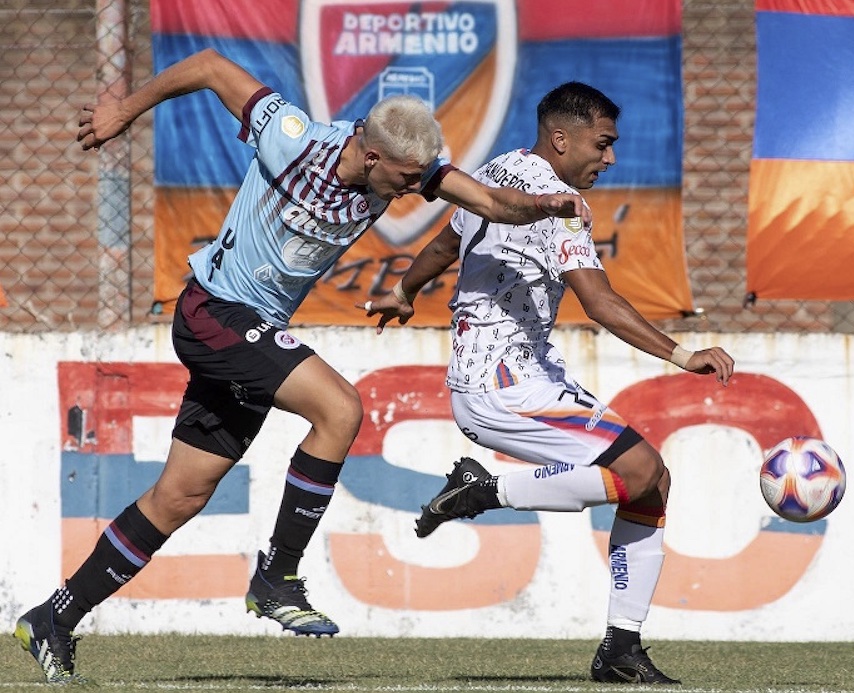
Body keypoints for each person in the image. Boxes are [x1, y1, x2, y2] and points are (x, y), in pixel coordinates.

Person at [13, 49, 591, 685]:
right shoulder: (291, 137)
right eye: (404, 179)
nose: (411, 191)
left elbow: (489, 201)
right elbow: (207, 65)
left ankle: (54, 617)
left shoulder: (405, 168)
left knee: (180, 494)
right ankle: (278, 575)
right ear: (372, 156)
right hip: (215, 313)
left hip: (250, 338)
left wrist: (552, 206)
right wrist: (124, 110)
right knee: (340, 408)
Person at [363, 82, 734, 685]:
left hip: (521, 378)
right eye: (603, 143)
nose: (609, 158)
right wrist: (682, 354)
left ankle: (620, 648)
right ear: (561, 139)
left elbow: (445, 243)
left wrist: (404, 291)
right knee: (639, 471)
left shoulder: (495, 174)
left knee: (651, 483)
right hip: (504, 386)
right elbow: (599, 301)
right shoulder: (555, 201)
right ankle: (484, 491)